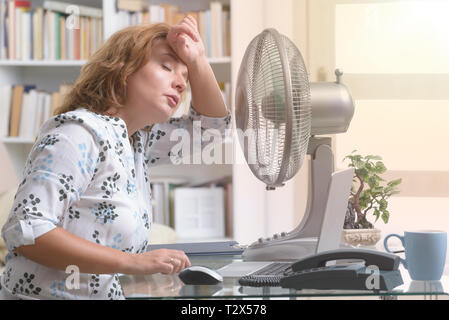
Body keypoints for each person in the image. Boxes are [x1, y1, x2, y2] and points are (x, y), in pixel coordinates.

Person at [0, 16, 231, 300]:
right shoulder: (78, 133)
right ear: (124, 69)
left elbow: (210, 131)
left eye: (185, 76)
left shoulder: (135, 141)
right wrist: (134, 263)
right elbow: (26, 230)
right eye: (167, 66)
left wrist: (198, 61)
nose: (182, 84)